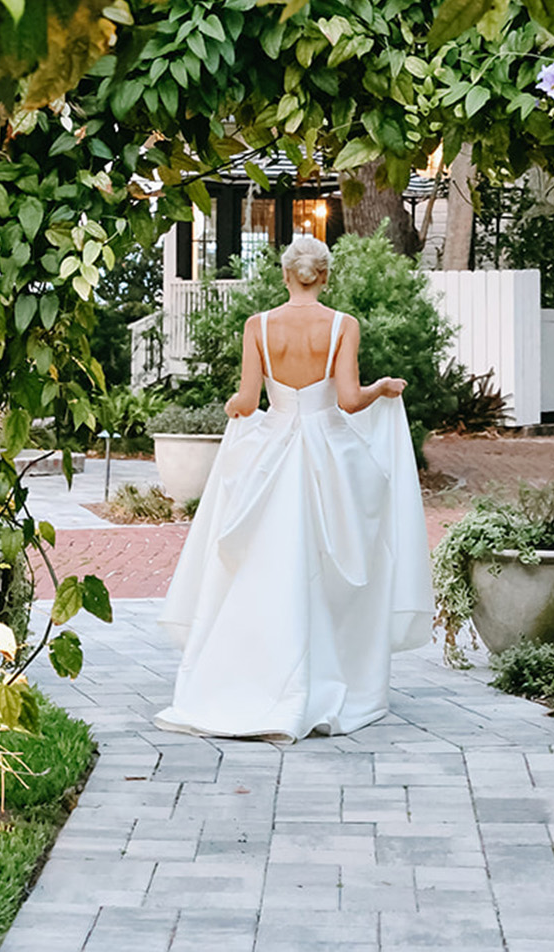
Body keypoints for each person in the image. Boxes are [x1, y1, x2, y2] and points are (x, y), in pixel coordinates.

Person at [154, 236, 433, 743]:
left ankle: (259, 674)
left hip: (275, 452)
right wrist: (383, 387)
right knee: (332, 567)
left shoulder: (258, 326)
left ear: (285, 275)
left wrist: (233, 411)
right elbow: (348, 401)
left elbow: (246, 398)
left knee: (269, 564)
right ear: (323, 276)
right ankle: (328, 676)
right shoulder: (342, 325)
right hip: (328, 454)